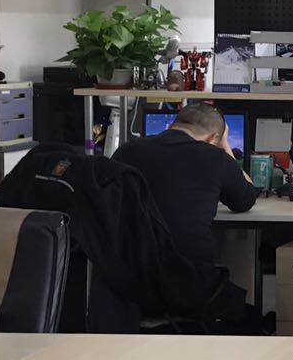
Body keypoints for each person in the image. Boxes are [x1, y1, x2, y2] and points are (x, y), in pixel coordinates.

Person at [113, 102, 269, 334]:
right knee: (252, 317)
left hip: (128, 280)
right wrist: (224, 144)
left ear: (173, 125)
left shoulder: (126, 151)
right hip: (189, 282)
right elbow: (244, 199)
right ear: (213, 138)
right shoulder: (215, 157)